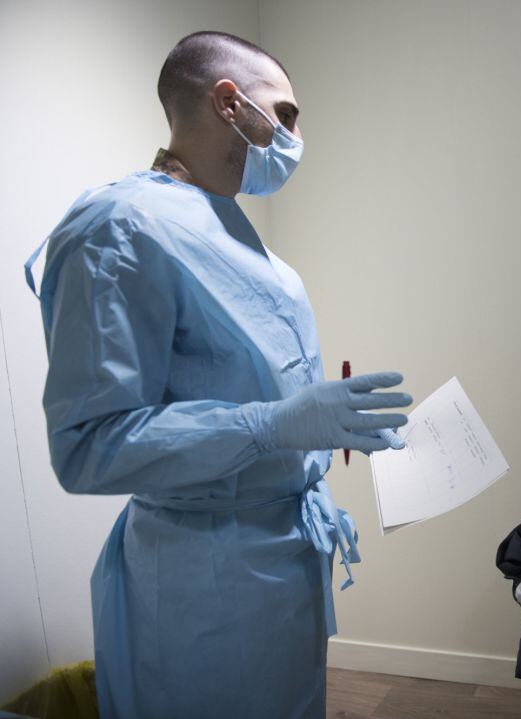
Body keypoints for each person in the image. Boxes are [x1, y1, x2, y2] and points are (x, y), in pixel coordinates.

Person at [23, 32, 411, 719]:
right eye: (285, 114)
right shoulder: (120, 227)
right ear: (229, 102)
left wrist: (321, 423)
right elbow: (89, 445)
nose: (294, 136)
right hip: (207, 584)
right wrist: (268, 425)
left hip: (281, 558)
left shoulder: (232, 229)